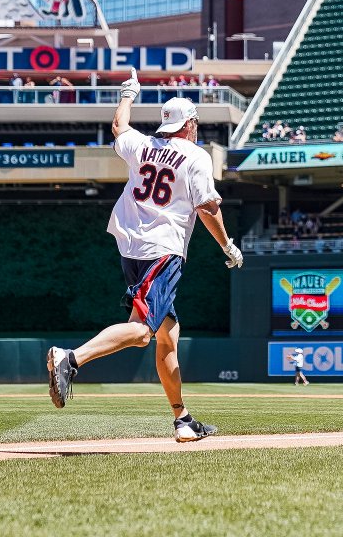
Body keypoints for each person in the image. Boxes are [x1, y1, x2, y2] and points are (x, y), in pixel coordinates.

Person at [46, 70, 243, 443]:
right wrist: (228, 246)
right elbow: (207, 209)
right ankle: (69, 359)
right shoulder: (196, 157)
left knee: (168, 334)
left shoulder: (141, 144)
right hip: (162, 249)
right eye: (195, 123)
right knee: (142, 332)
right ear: (189, 124)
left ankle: (182, 419)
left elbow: (119, 126)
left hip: (129, 244)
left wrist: (128, 93)